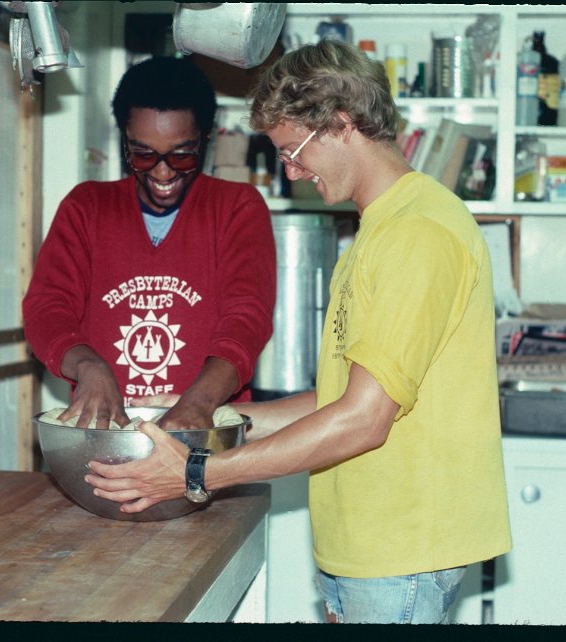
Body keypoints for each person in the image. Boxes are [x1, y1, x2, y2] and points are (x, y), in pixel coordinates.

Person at [85, 40, 512, 624]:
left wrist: (193, 473)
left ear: (340, 125)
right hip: (365, 544)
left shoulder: (418, 234)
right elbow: (342, 398)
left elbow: (362, 420)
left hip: (403, 545)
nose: (290, 171)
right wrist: (214, 420)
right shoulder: (377, 232)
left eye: (293, 151)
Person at [22, 56, 276, 431]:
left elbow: (247, 318)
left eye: (182, 155)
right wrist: (89, 366)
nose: (162, 172)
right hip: (104, 436)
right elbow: (47, 308)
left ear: (207, 138)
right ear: (123, 139)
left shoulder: (237, 207)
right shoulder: (87, 207)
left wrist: (199, 404)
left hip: (208, 434)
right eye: (143, 154)